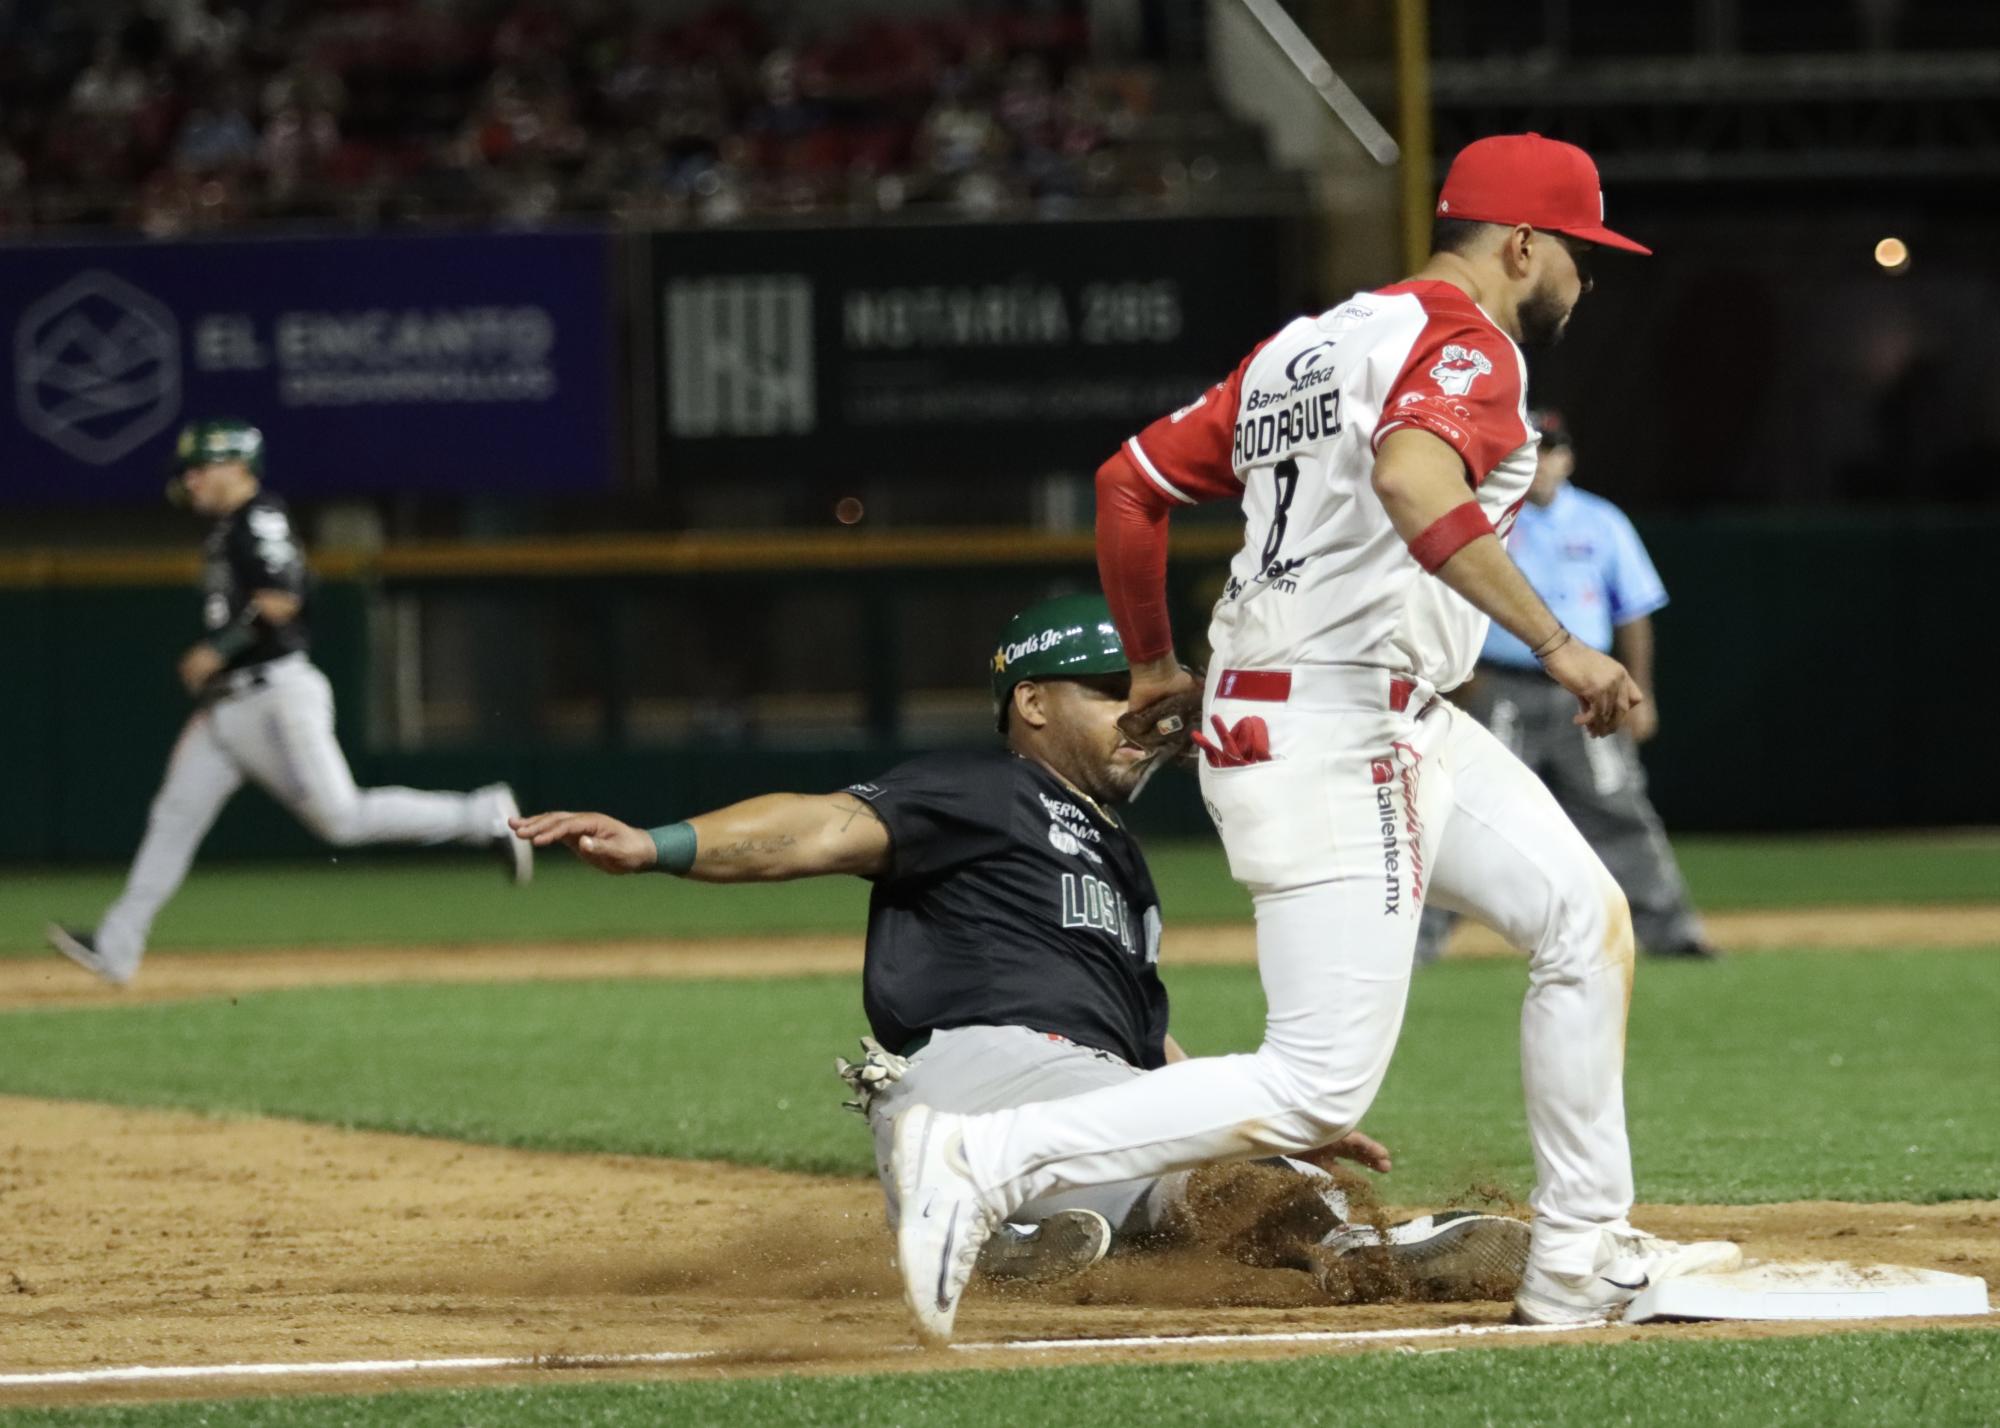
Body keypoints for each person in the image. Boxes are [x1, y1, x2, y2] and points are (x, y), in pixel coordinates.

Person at [890, 133, 1745, 1343]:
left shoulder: (1307, 343)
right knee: (1313, 1084)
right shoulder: (1470, 342)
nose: (1583, 277)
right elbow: (1411, 479)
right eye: (1574, 251)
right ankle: (980, 1156)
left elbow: (1127, 481)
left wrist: (1150, 659)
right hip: (1333, 721)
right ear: (1517, 244)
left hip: (1363, 704)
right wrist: (1560, 646)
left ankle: (1580, 1254)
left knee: (1580, 917)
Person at [512, 594, 1531, 1300]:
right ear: (1031, 704)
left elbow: (1141, 1048)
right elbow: (818, 826)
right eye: (1107, 692)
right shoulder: (984, 790)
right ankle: (1371, 1248)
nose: (1141, 717)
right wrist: (658, 845)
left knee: (1218, 1202)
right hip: (984, 1069)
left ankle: (998, 1232)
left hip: (1066, 1099)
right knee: (1236, 1190)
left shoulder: (1121, 867)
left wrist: (1261, 1113)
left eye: (1144, 698)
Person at [48, 419, 530, 986]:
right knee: (173, 817)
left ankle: (485, 815)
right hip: (227, 707)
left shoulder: (260, 518)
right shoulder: (231, 526)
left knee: (342, 819)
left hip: (274, 695)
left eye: (202, 467)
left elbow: (283, 598)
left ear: (238, 466)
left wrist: (216, 649)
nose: (192, 479)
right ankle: (117, 944)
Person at [1414, 410, 1719, 965]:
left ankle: (1672, 934)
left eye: (1551, 449)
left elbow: (1634, 613)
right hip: (1502, 684)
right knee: (1461, 807)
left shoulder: (1601, 521)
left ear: (1568, 457)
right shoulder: (1486, 518)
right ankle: (1416, 944)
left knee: (1619, 807)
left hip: (1586, 687)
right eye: (1529, 451)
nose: (1541, 462)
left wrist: (1639, 690)